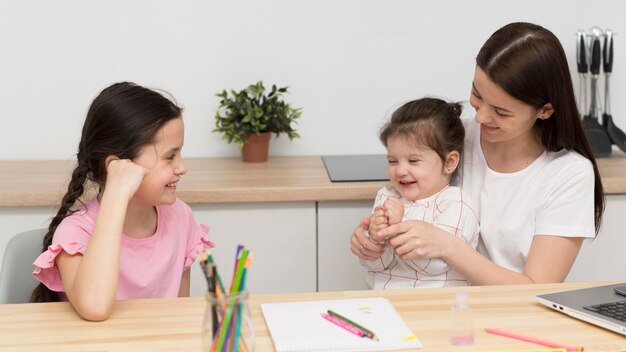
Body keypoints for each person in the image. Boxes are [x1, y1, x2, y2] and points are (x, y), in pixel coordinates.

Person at [351, 22, 605, 285]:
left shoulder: (568, 173)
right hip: (435, 308)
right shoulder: (455, 139)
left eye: (501, 111)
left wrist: (446, 246)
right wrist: (371, 239)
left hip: (508, 315)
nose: (481, 117)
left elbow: (535, 288)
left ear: (545, 110)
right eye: (476, 94)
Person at [30, 82, 214, 321]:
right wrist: (116, 195)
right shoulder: (76, 233)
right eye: (170, 157)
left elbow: (177, 314)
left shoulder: (181, 217)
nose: (182, 167)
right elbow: (95, 308)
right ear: (118, 167)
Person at [360, 97, 480, 289]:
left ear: (449, 163)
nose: (400, 171)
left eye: (413, 161)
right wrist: (374, 241)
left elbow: (434, 266)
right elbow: (375, 265)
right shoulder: (387, 196)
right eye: (393, 161)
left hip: (435, 309)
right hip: (384, 303)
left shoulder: (456, 203)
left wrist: (398, 226)